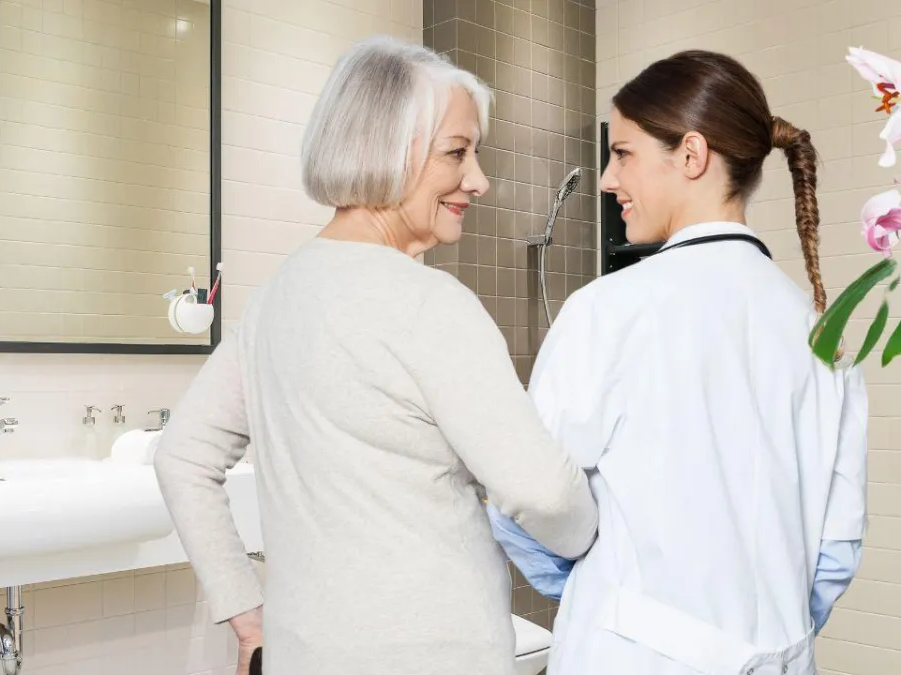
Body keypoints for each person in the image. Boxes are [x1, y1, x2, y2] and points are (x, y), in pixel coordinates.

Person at [153, 36, 598, 675]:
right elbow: (544, 492)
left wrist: (248, 615)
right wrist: (596, 546)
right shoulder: (430, 303)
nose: (478, 179)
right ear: (387, 151)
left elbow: (181, 457)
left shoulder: (275, 298)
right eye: (457, 153)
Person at [487, 50, 869, 675]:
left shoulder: (607, 311)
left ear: (691, 156)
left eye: (624, 153)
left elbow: (526, 502)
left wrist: (608, 600)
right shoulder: (823, 333)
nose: (609, 179)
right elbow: (834, 555)